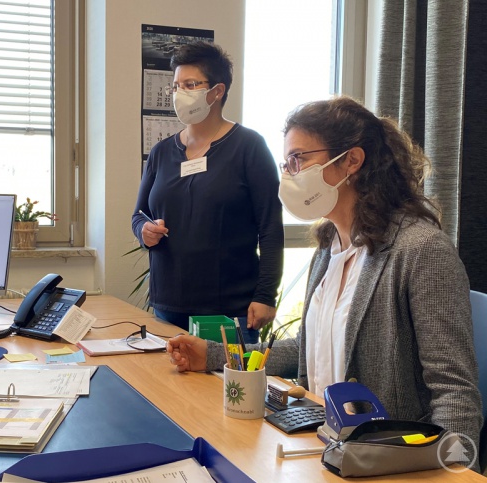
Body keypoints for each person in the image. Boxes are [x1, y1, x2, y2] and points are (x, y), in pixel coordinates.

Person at [168, 96, 483, 459]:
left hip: (392, 459)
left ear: (352, 160)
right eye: (286, 163)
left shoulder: (421, 250)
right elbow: (307, 348)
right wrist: (213, 355)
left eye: (299, 159)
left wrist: (450, 470)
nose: (289, 174)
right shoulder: (329, 245)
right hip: (326, 446)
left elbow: (454, 391)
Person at [131, 41, 284, 343]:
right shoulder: (162, 152)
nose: (179, 94)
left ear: (217, 91)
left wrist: (265, 295)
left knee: (226, 391)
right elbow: (139, 215)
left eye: (190, 84)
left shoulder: (249, 147)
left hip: (229, 310)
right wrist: (144, 231)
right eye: (175, 86)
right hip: (167, 305)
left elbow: (270, 227)